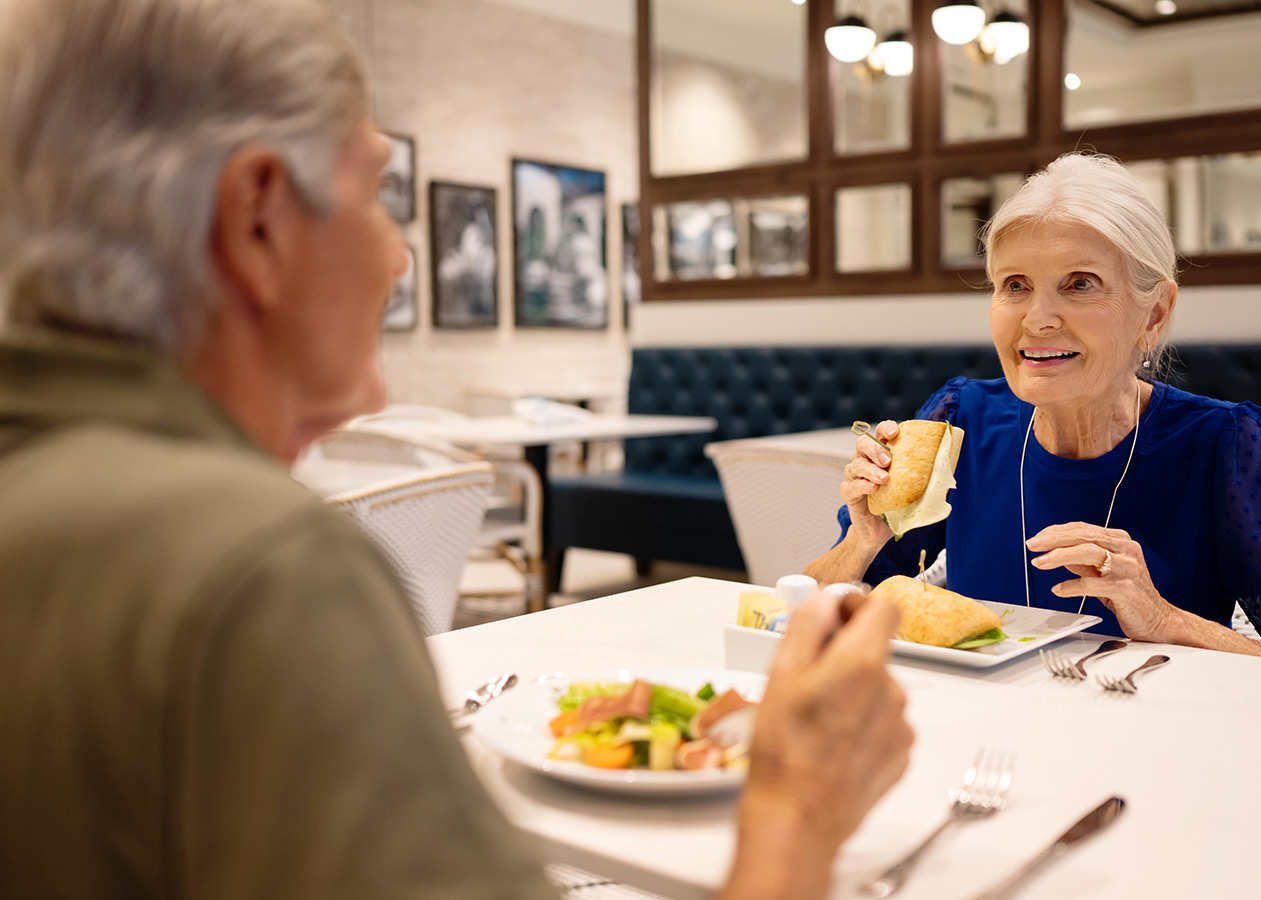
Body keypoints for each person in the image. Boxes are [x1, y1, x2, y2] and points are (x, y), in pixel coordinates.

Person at [0, 1, 913, 898]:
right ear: (259, 219)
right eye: (373, 196)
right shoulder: (255, 567)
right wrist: (798, 808)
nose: (400, 259)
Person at [807, 152, 1261, 676]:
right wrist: (861, 540)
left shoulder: (1233, 447)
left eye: (1080, 284)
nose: (1037, 318)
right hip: (982, 753)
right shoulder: (960, 420)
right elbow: (809, 610)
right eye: (1014, 285)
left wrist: (1165, 620)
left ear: (1154, 315)